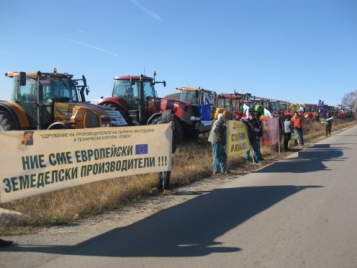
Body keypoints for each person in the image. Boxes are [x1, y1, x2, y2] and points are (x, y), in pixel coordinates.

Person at [156, 110, 179, 193]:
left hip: (168, 149)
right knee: (161, 168)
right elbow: (159, 134)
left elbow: (177, 137)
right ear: (166, 116)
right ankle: (162, 186)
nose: (172, 118)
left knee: (167, 168)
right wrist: (167, 127)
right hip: (162, 149)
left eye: (173, 117)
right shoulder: (160, 123)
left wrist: (174, 129)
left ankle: (165, 185)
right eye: (170, 116)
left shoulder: (172, 124)